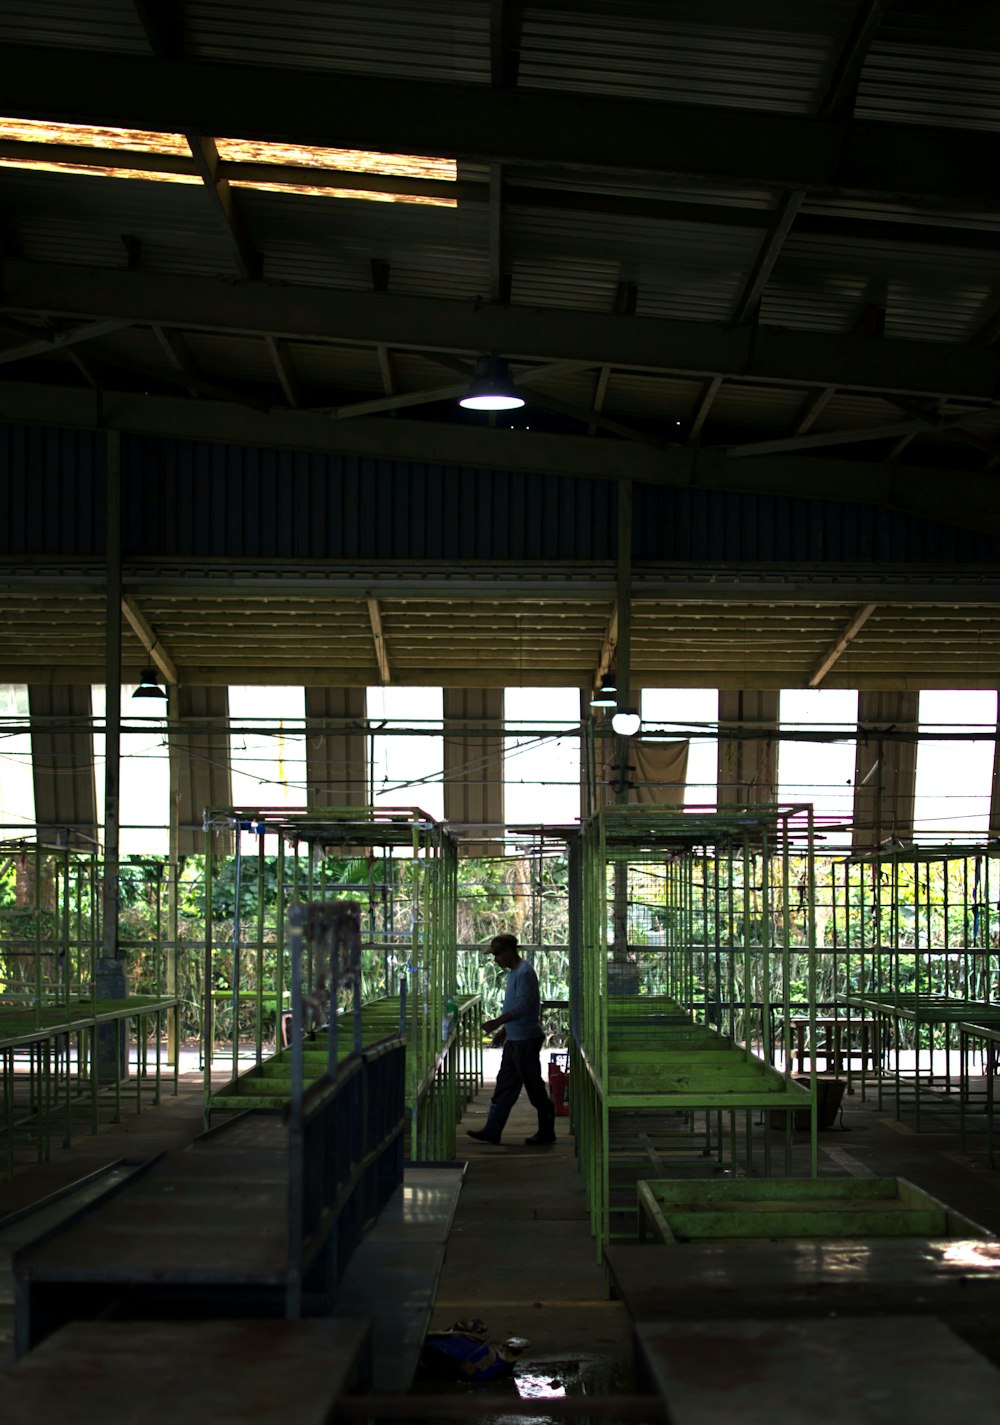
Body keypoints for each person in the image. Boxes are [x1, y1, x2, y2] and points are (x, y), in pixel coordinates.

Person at [467, 933, 557, 1147]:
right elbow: (517, 1008)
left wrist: (497, 1022)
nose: (495, 959)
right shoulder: (514, 974)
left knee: (534, 1086)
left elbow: (523, 1007)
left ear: (509, 951)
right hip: (515, 1039)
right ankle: (492, 1130)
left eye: (498, 954)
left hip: (525, 1040)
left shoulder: (524, 973)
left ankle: (546, 1131)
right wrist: (505, 1031)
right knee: (505, 1084)